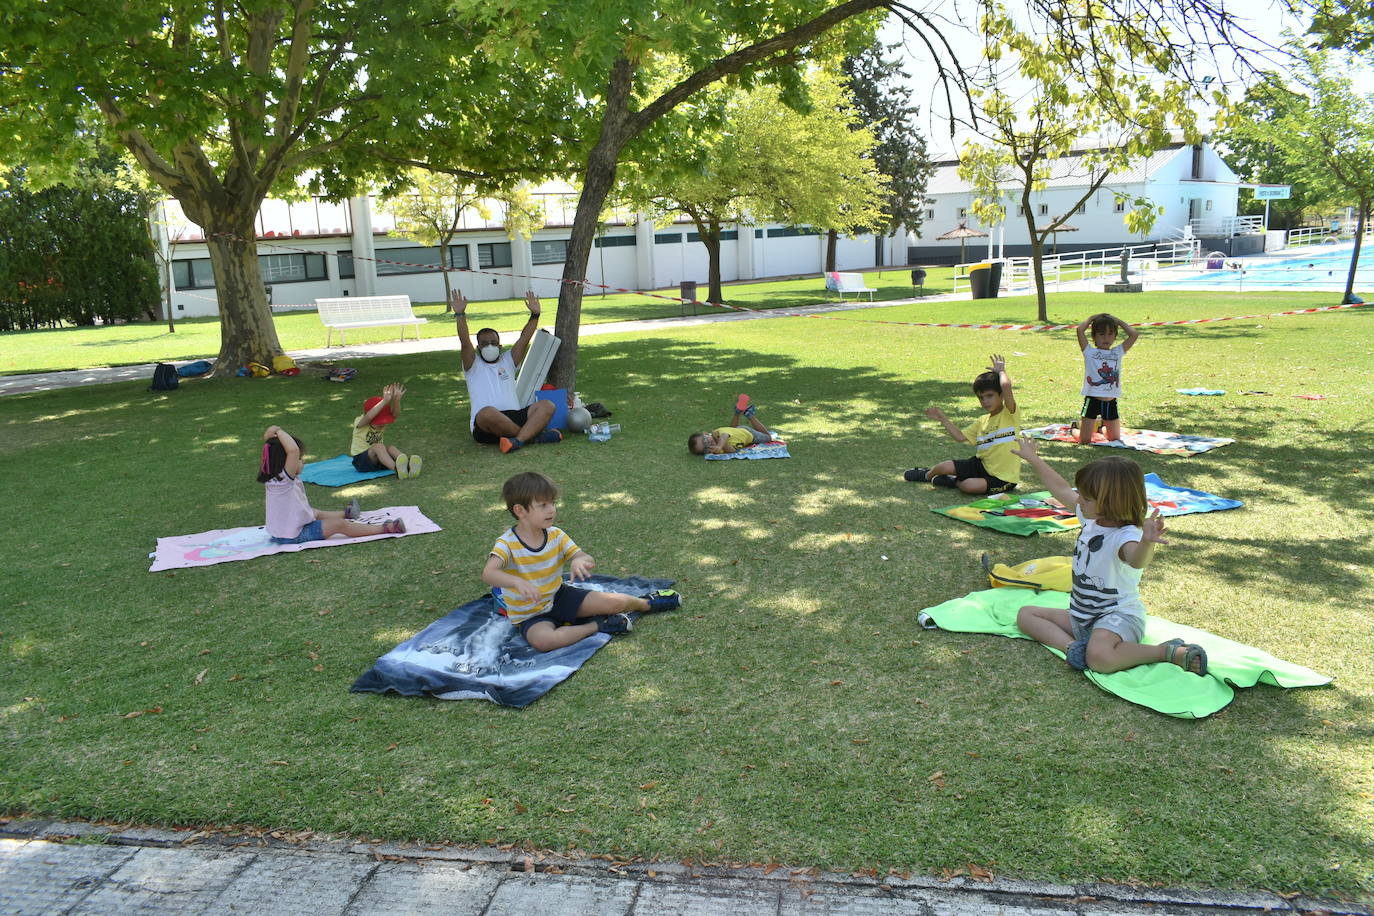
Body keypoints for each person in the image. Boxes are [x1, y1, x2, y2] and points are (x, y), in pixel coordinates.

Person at [1009, 437, 1206, 676]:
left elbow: (1137, 560)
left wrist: (1147, 542)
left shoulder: (1126, 536)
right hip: (1081, 618)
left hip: (1118, 619)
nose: (1078, 500)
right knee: (1026, 615)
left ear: (1111, 502)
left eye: (1086, 497)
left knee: (1100, 658)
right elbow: (1060, 488)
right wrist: (1032, 458)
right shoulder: (1091, 518)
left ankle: (1167, 652)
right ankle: (1073, 648)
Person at [483, 471, 681, 651]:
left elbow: (584, 556)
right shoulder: (507, 543)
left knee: (614, 602)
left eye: (553, 503)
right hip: (530, 615)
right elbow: (489, 573)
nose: (552, 510)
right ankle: (599, 625)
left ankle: (647, 602)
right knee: (544, 642)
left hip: (559, 596)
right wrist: (516, 581)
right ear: (520, 511)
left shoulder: (556, 535)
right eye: (543, 505)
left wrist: (579, 560)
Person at [453, 289, 562, 454]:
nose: (489, 346)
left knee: (547, 405)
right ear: (478, 348)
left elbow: (524, 339)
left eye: (493, 342)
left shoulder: (508, 360)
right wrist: (460, 315)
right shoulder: (472, 364)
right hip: (486, 425)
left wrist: (535, 315)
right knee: (486, 412)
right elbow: (465, 342)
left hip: (515, 416)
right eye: (484, 343)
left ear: (499, 345)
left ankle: (517, 440)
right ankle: (532, 437)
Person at [260, 425, 404, 542]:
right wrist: (278, 431)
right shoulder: (284, 480)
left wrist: (270, 434)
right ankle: (386, 528)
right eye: (300, 458)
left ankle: (346, 513)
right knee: (339, 525)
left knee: (313, 512)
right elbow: (292, 450)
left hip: (284, 531)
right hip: (294, 534)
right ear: (285, 461)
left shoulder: (274, 477)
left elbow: (272, 448)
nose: (302, 461)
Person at [905, 354, 1020, 494]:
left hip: (1003, 478)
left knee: (968, 486)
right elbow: (960, 437)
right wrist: (943, 419)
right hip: (981, 465)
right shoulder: (982, 421)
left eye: (990, 396)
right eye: (981, 398)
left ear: (1001, 395)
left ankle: (953, 480)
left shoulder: (1010, 414)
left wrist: (1001, 371)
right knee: (943, 466)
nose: (985, 401)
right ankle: (926, 475)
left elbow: (1006, 386)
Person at [1075, 312, 1138, 444]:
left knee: (1114, 439)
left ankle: (1101, 428)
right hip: (1092, 400)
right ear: (1094, 336)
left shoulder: (1118, 352)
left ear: (1115, 336)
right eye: (1101, 334)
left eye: (1110, 334)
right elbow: (1080, 330)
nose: (1106, 338)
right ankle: (1074, 428)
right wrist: (1092, 318)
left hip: (1110, 401)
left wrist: (1118, 321)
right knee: (1085, 440)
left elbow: (1134, 334)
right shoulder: (1089, 351)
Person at [351, 383, 421, 478]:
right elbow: (369, 416)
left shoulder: (382, 423)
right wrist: (385, 401)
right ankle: (397, 470)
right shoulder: (360, 421)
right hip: (361, 462)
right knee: (378, 446)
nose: (382, 425)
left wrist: (396, 400)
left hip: (378, 460)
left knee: (391, 448)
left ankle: (409, 466)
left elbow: (395, 415)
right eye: (379, 422)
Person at [687, 393, 775, 455]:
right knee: (733, 428)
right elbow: (732, 451)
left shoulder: (717, 433)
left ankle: (750, 415)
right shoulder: (718, 449)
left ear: (706, 434)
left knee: (768, 437)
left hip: (749, 434)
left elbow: (724, 436)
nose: (708, 443)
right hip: (737, 432)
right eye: (706, 448)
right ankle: (737, 413)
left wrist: (719, 445)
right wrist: (719, 447)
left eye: (705, 441)